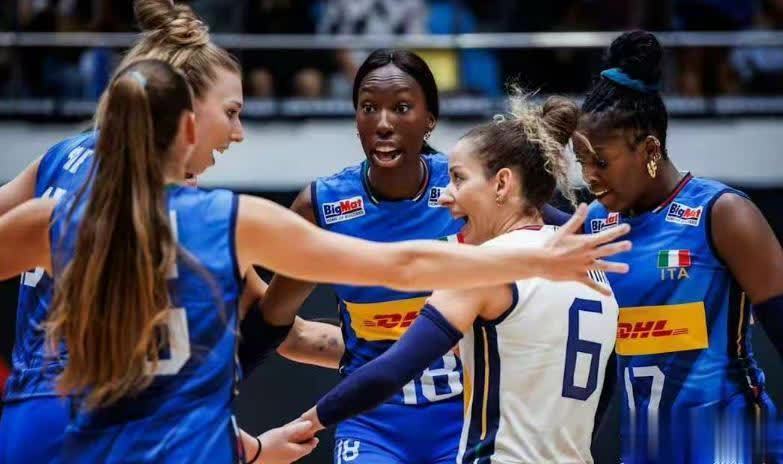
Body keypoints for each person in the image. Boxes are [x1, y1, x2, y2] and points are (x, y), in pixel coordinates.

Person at [0, 55, 632, 462]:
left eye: (401, 108)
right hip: (180, 432)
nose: (383, 122)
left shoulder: (52, 210)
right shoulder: (234, 218)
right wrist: (539, 259)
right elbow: (397, 268)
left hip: (44, 417)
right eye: (232, 115)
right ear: (189, 130)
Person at [0, 0, 308, 462]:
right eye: (231, 112)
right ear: (186, 110)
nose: (238, 132)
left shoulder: (63, 157)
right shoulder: (180, 208)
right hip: (105, 417)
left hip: (28, 418)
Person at [263, 49, 573, 464]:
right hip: (371, 422)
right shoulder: (323, 205)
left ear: (430, 119)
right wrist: (381, 353)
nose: (383, 123)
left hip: (465, 418)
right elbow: (276, 326)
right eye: (368, 108)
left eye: (401, 108)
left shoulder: (467, 184)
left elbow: (566, 235)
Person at [576, 30, 783, 463]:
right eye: (582, 161)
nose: (589, 176)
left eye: (601, 161)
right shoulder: (595, 224)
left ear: (650, 150)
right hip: (646, 448)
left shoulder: (722, 213)